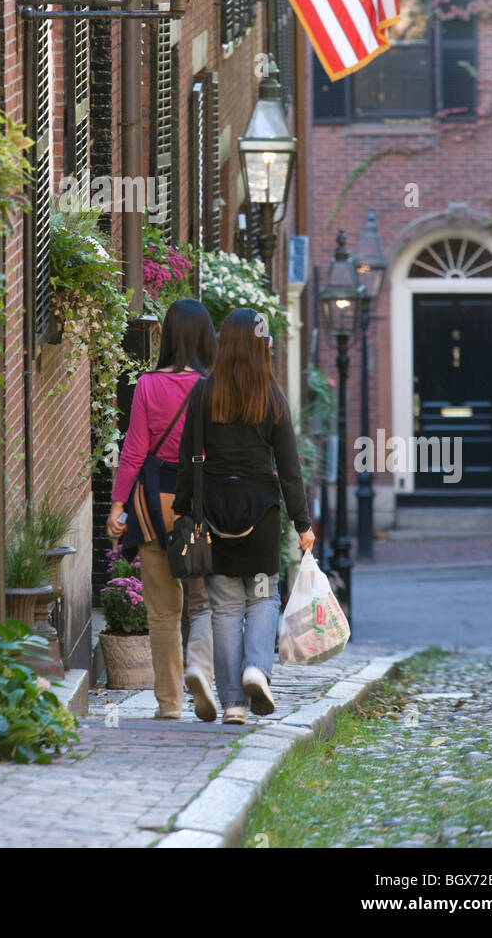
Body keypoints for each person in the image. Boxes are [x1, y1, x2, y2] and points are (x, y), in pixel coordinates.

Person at [174, 307, 315, 725]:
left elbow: (187, 459)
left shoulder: (203, 393)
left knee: (224, 608)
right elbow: (290, 469)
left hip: (215, 513)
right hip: (261, 513)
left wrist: (186, 511)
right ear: (261, 346)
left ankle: (233, 703)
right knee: (263, 596)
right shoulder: (271, 396)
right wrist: (303, 523)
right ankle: (257, 668)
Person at [106, 298, 218, 722]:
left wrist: (118, 506)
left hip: (151, 505)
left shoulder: (148, 385)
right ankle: (199, 670)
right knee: (204, 603)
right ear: (207, 336)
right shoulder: (213, 385)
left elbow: (134, 451)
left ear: (166, 336)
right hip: (199, 506)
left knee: (162, 612)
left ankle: (169, 703)